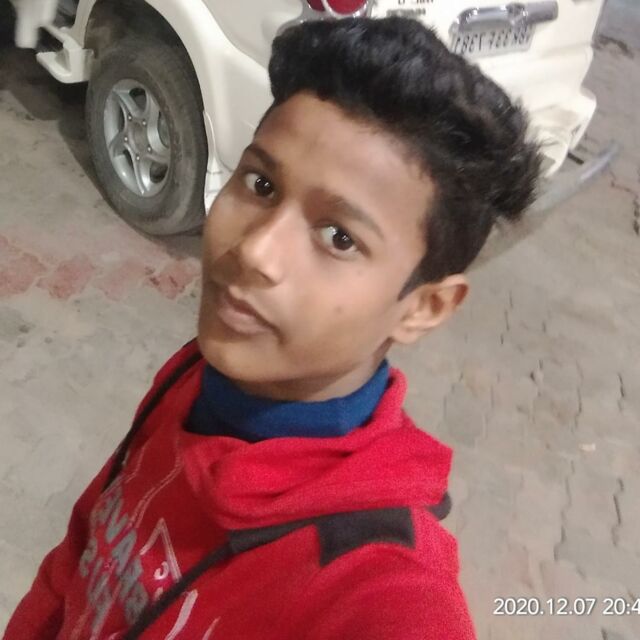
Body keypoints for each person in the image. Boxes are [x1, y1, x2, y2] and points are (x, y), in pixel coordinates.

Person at [4, 16, 540, 640]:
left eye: (339, 237)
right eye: (260, 184)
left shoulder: (379, 599)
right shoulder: (200, 374)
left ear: (425, 307)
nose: (256, 251)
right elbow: (82, 553)